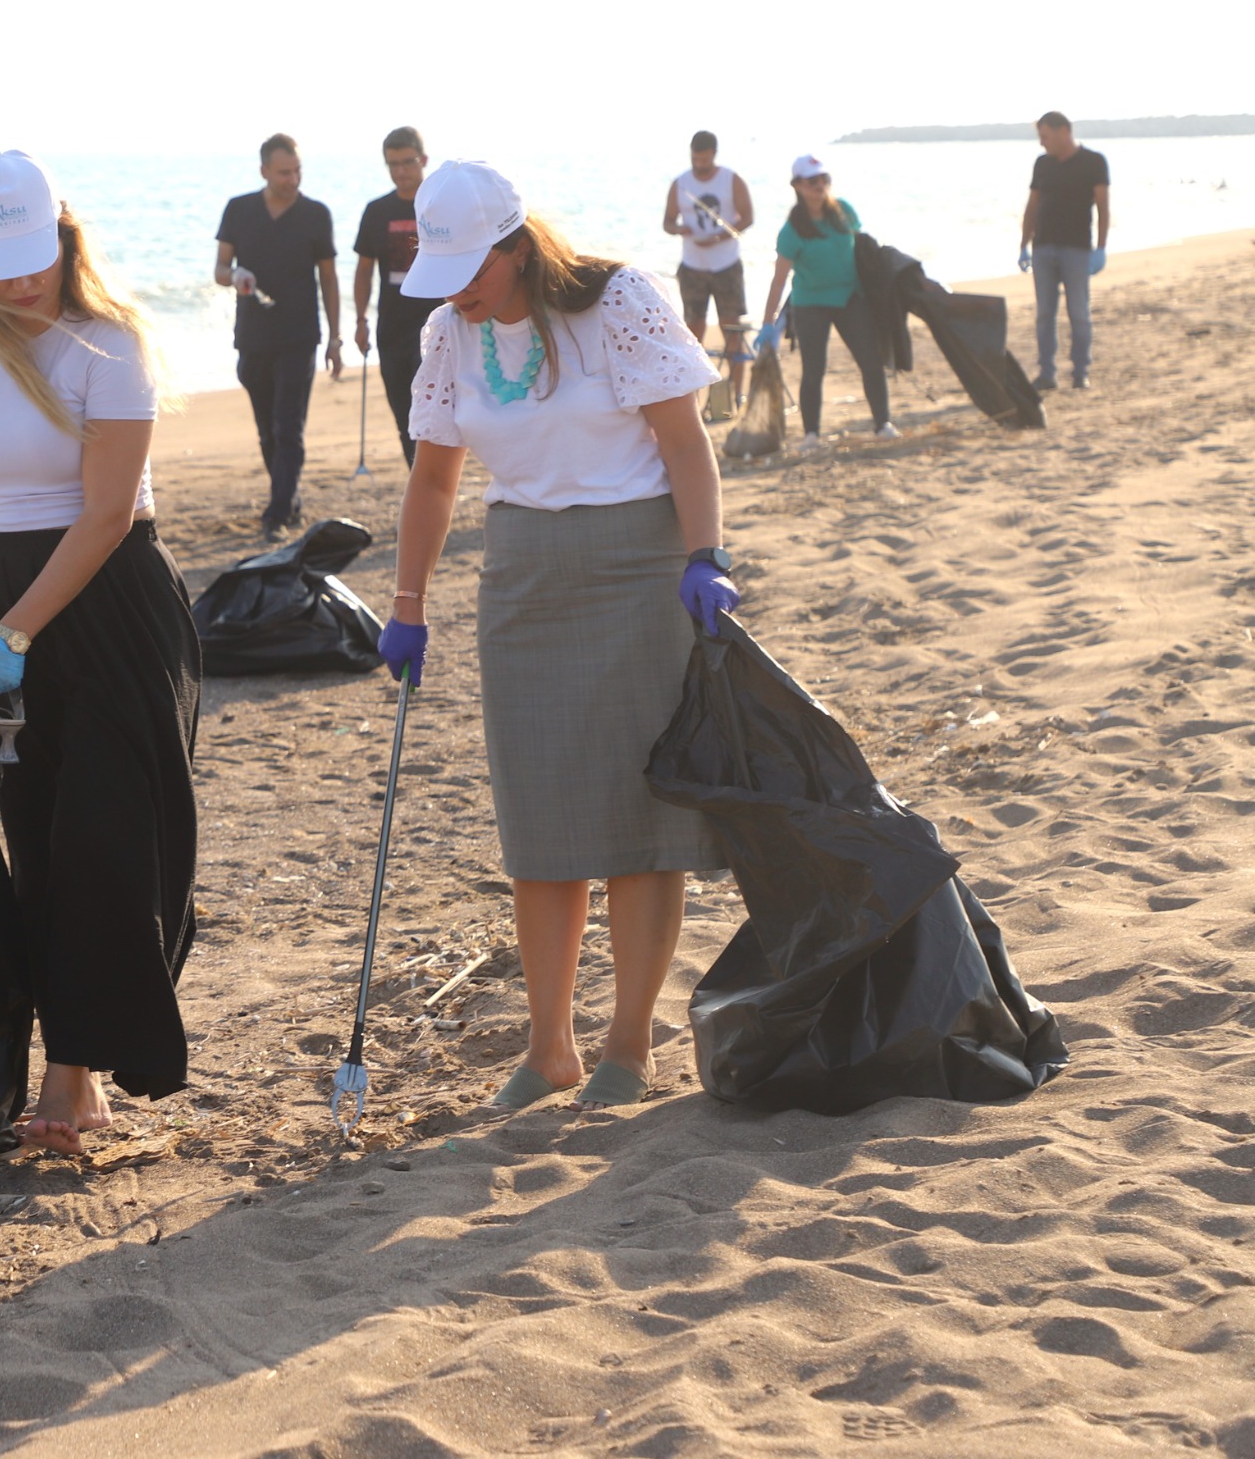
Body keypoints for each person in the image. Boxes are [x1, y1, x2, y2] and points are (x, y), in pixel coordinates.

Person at [378, 160, 735, 1111]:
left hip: (638, 567)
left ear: (517, 246)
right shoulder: (449, 333)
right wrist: (408, 604)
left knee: (638, 822)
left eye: (472, 268)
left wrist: (705, 555)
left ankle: (627, 1046)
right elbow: (434, 481)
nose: (458, 288)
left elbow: (684, 440)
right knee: (540, 825)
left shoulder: (618, 300)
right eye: (444, 271)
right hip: (524, 579)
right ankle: (549, 1052)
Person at [0, 151, 201, 1152]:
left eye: (34, 256)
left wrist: (15, 635)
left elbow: (108, 514)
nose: (21, 280)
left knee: (107, 841)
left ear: (65, 240)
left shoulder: (109, 346)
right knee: (34, 839)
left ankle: (77, 1070)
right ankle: (69, 1076)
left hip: (108, 604)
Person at [214, 133, 340, 537]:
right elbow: (219, 270)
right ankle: (289, 499)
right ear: (264, 170)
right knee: (267, 430)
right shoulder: (239, 209)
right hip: (252, 335)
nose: (293, 179)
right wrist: (236, 274)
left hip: (300, 335)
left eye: (297, 171)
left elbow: (329, 278)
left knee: (288, 427)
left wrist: (335, 337)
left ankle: (277, 515)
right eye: (284, 172)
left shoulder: (316, 214)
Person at [760, 155, 897, 453]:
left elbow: (863, 248)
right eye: (812, 181)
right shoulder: (792, 230)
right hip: (811, 303)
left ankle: (883, 424)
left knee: (871, 361)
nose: (820, 185)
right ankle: (811, 435)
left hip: (850, 298)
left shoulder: (843, 211)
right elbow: (779, 280)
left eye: (824, 179)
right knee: (814, 370)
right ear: (798, 185)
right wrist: (768, 324)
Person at [351, 127, 440, 463]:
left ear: (423, 160)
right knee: (404, 417)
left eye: (407, 162)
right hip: (391, 328)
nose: (401, 171)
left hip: (437, 324)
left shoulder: (440, 205)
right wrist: (360, 320)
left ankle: (436, 478)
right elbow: (364, 270)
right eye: (393, 164)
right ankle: (416, 477)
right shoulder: (377, 211)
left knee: (433, 411)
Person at [661, 131, 756, 410]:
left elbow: (748, 217)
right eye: (695, 159)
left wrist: (719, 237)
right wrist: (679, 229)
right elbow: (667, 222)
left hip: (726, 266)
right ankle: (693, 400)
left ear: (714, 154)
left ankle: (735, 396)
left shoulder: (731, 179)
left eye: (704, 159)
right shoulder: (681, 183)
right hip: (692, 268)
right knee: (692, 333)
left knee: (733, 331)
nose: (699, 164)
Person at [1019, 111, 1112, 391]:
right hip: (1043, 248)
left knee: (1079, 313)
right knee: (1044, 314)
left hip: (1077, 250)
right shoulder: (1042, 164)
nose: (1042, 142)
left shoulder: (1093, 162)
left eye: (1045, 136)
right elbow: (1032, 205)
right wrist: (1023, 245)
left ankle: (1080, 372)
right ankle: (1047, 374)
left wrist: (1101, 248)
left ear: (1063, 132)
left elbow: (1103, 208)